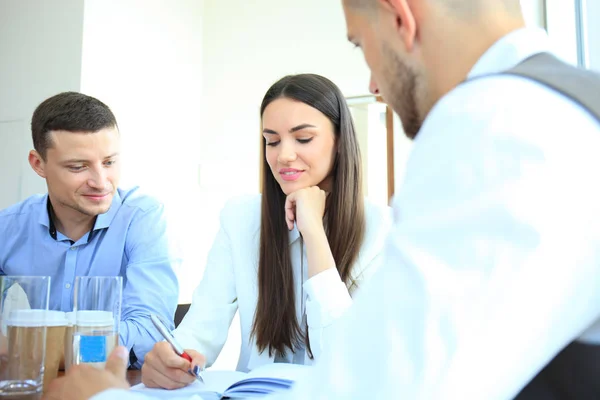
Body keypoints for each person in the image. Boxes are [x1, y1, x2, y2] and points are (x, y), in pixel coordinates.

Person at [48, 0, 600, 398]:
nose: (375, 85)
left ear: (400, 17)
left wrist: (98, 397)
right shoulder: (567, 105)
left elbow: (383, 384)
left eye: (362, 45)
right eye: (271, 140)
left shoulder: (497, 123)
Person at [139, 73, 391, 389]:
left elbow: (345, 360)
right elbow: (200, 331)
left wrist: (313, 231)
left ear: (339, 141)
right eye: (272, 140)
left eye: (303, 139)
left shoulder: (383, 229)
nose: (283, 155)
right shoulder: (241, 218)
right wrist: (171, 359)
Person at [0, 92, 179, 368]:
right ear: (39, 164)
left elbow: (148, 335)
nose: (100, 182)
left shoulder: (142, 218)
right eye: (78, 167)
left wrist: (37, 347)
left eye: (108, 162)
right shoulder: (8, 227)